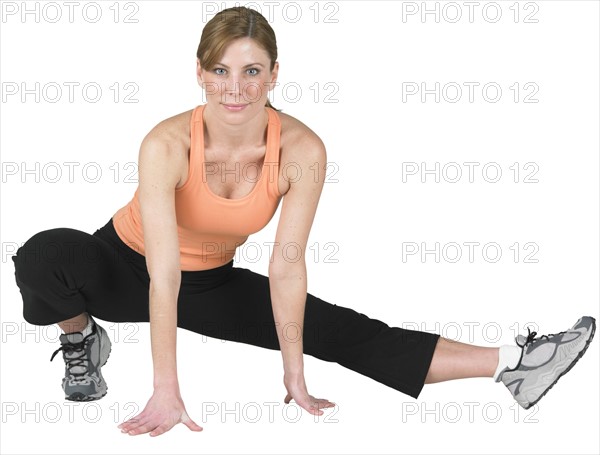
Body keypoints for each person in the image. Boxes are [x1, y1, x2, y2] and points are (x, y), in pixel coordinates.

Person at [11, 6, 596, 437]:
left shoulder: (303, 151)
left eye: (251, 71)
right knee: (41, 255)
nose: (234, 88)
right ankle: (81, 334)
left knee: (338, 330)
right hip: (120, 265)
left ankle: (515, 365)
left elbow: (287, 266)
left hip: (209, 279)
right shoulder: (167, 142)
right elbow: (162, 274)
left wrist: (294, 371)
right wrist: (166, 388)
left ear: (274, 73)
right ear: (198, 73)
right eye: (220, 71)